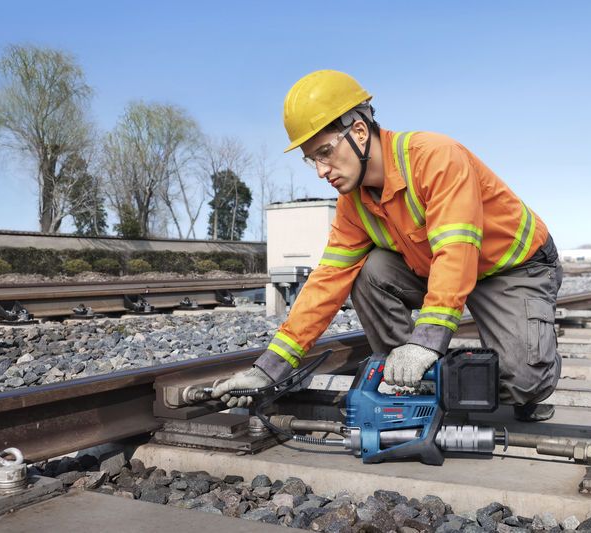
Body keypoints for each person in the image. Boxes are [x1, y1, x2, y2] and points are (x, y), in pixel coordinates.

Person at [213, 70, 562, 422]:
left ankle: (528, 354)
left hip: (512, 267)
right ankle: (414, 379)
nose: (321, 171)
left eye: (325, 152)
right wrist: (270, 367)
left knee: (523, 383)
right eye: (311, 159)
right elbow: (328, 279)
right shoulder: (354, 202)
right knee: (369, 270)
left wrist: (427, 339)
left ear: (360, 132)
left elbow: (456, 252)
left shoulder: (435, 158)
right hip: (433, 268)